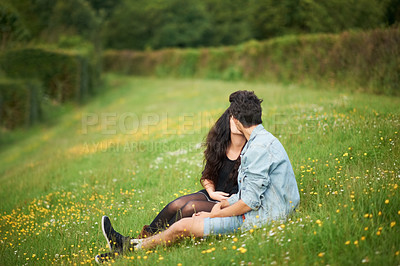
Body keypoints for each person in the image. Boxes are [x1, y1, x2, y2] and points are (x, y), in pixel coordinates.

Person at [95, 91, 300, 264]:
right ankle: (130, 247)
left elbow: (250, 202)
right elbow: (249, 194)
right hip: (256, 209)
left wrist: (211, 215)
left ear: (236, 121)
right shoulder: (260, 141)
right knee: (180, 212)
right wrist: (224, 203)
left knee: (183, 225)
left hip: (261, 218)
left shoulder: (257, 148)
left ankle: (130, 248)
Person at [137, 108, 246, 237]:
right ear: (227, 121)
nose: (237, 122)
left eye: (241, 119)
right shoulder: (220, 146)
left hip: (228, 202)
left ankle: (155, 241)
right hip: (213, 194)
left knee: (190, 206)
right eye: (234, 118)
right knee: (175, 204)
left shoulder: (250, 150)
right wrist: (211, 192)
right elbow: (207, 175)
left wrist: (220, 200)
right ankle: (145, 236)